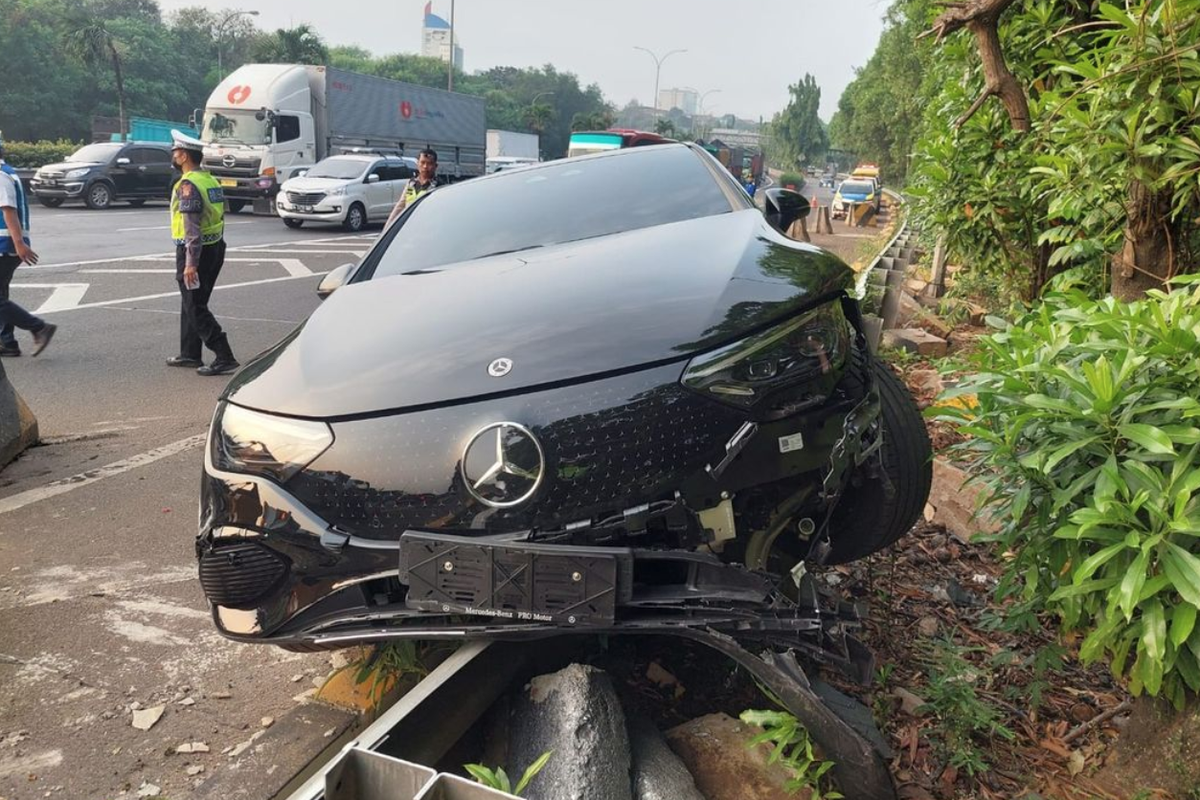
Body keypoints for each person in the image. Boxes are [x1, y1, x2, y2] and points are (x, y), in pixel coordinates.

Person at [166, 130, 238, 376]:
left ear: (184, 156)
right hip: (215, 247)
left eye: (175, 151)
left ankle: (224, 354)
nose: (173, 155)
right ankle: (190, 353)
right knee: (192, 302)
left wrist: (190, 263)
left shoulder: (188, 185)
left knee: (195, 305)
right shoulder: (209, 179)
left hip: (195, 252)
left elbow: (192, 229)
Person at [0, 137, 56, 357]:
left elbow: (8, 210)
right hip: (8, 245)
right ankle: (7, 342)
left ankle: (38, 327)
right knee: (1, 296)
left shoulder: (2, 175)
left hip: (5, 246)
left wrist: (19, 245)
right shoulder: (8, 172)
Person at [385, 148, 439, 228]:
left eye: (429, 163)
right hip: (409, 226)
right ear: (417, 163)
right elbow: (400, 206)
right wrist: (387, 228)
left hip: (428, 227)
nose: (425, 166)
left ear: (435, 166)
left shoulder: (439, 186)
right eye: (422, 162)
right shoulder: (411, 183)